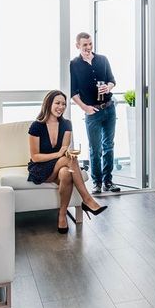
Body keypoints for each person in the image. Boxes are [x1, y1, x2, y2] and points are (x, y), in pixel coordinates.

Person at [28, 90, 107, 234]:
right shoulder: (36, 126)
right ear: (48, 104)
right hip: (40, 168)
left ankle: (62, 215)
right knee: (70, 160)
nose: (61, 107)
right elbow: (35, 157)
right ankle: (88, 200)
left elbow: (64, 151)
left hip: (60, 166)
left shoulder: (66, 124)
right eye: (57, 103)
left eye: (64, 104)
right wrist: (58, 154)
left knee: (66, 173)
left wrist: (63, 154)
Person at [70, 32, 121, 194]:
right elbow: (73, 92)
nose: (88, 47)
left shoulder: (103, 59)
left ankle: (108, 182)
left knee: (108, 146)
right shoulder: (74, 65)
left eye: (90, 44)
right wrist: (85, 108)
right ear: (77, 45)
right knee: (95, 149)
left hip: (109, 108)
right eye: (85, 44)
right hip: (91, 112)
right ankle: (97, 183)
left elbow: (112, 80)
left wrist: (108, 87)